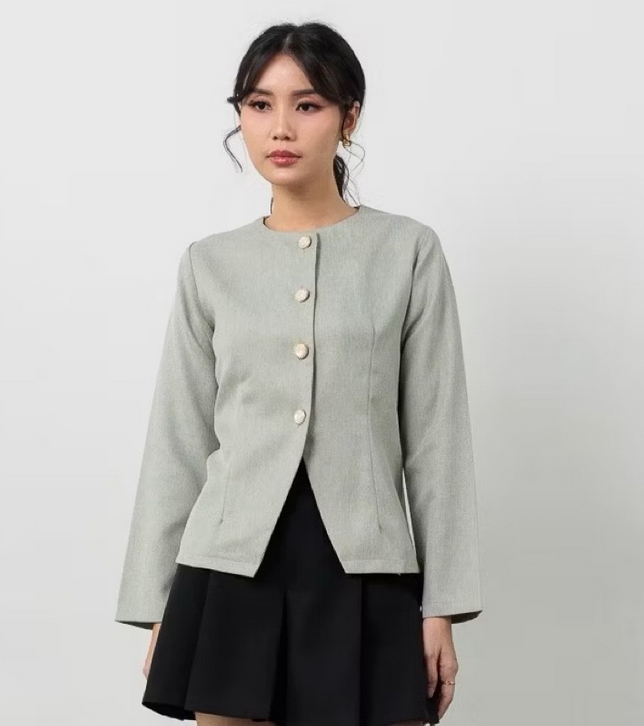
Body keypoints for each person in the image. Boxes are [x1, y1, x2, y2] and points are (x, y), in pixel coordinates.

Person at [114, 20, 484, 726]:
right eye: (259, 104)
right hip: (227, 570)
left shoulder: (408, 252)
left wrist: (441, 606)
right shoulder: (209, 264)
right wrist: (160, 606)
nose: (280, 126)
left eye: (307, 104)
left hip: (366, 568)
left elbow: (437, 441)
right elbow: (178, 440)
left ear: (350, 118)